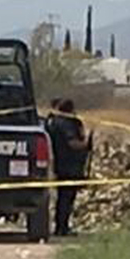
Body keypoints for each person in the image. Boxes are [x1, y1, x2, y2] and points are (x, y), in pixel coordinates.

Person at [45, 98, 92, 237]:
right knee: (67, 198)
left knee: (62, 198)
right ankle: (62, 227)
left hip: (60, 165)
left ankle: (60, 226)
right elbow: (72, 143)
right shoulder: (67, 124)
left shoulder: (53, 121)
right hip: (70, 166)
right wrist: (86, 143)